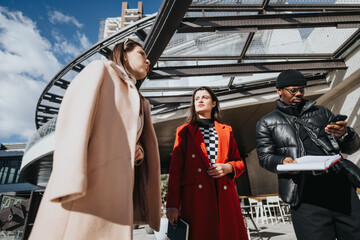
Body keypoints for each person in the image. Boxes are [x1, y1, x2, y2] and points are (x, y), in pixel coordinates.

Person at [29, 39, 161, 239]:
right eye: (142, 54)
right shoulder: (102, 70)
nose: (148, 61)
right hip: (85, 187)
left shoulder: (140, 101)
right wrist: (70, 178)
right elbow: (74, 120)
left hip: (118, 191)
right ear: (124, 54)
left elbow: (129, 136)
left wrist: (138, 150)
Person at [256, 69, 360, 240]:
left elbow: (352, 147)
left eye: (302, 90)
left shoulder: (322, 112)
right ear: (279, 90)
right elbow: (265, 157)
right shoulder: (266, 123)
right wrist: (282, 161)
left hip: (339, 186)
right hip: (304, 194)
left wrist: (345, 134)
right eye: (293, 90)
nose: (299, 94)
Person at [166, 86, 248, 240]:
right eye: (196, 99)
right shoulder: (184, 131)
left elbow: (239, 162)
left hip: (223, 195)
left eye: (205, 97)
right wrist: (172, 205)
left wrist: (228, 167)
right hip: (196, 198)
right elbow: (175, 171)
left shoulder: (226, 130)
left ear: (214, 103)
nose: (200, 101)